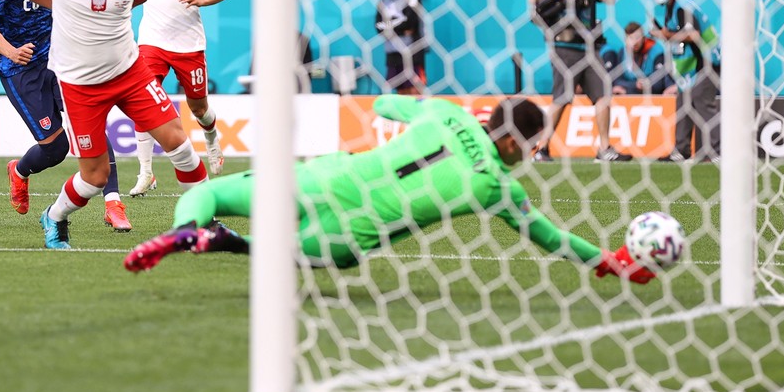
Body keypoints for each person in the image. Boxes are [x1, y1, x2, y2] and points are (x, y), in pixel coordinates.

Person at [124, 95, 655, 286]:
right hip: (353, 230)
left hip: (331, 176)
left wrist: (430, 115)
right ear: (513, 141)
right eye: (534, 144)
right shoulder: (496, 187)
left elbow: (381, 107)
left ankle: (186, 231)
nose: (533, 153)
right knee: (302, 257)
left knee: (214, 193)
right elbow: (549, 236)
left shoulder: (446, 113)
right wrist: (611, 261)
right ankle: (233, 245)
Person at [8, 0, 208, 249]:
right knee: (95, 177)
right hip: (79, 82)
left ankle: (202, 223)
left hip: (129, 71)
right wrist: (57, 3)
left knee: (179, 142)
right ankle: (53, 216)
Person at [0, 0, 132, 232]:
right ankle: (19, 171)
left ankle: (114, 204)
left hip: (64, 61)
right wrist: (12, 50)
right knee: (57, 148)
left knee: (93, 126)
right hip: (20, 69)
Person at [129, 0, 230, 197]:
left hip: (189, 43)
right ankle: (146, 172)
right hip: (152, 41)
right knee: (142, 104)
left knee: (199, 108)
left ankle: (211, 138)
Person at [530, 0, 631, 162]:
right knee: (562, 98)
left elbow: (610, 0)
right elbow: (533, 0)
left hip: (589, 46)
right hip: (564, 45)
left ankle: (605, 148)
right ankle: (542, 148)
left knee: (603, 96)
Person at [649, 0, 721, 163]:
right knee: (683, 105)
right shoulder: (671, 7)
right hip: (689, 67)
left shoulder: (683, 8)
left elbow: (693, 34)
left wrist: (666, 35)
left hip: (706, 62)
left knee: (703, 103)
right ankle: (681, 150)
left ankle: (718, 151)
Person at [375, 0, 427, 95]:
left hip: (412, 50)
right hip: (392, 52)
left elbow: (411, 21)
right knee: (400, 94)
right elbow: (378, 26)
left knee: (414, 91)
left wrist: (389, 26)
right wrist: (400, 27)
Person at [601, 21, 673, 95]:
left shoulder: (656, 52)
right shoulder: (623, 53)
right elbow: (617, 81)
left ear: (644, 38)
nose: (634, 42)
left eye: (637, 37)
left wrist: (628, 90)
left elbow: (659, 85)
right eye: (630, 38)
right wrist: (635, 85)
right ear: (625, 40)